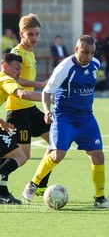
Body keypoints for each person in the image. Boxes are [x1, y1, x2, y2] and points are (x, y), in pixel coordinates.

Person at [22, 35, 109, 209]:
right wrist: (46, 111)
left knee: (97, 154)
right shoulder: (65, 67)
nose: (88, 56)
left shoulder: (95, 64)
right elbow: (46, 92)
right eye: (85, 52)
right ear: (76, 50)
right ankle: (33, 183)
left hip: (86, 118)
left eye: (91, 52)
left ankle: (100, 199)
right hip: (65, 117)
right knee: (57, 155)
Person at [3, 13, 51, 201]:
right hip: (17, 111)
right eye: (30, 34)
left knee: (57, 141)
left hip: (30, 108)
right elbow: (14, 79)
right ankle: (2, 186)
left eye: (37, 34)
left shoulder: (30, 52)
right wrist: (40, 85)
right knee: (21, 157)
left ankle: (38, 185)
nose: (34, 38)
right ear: (21, 34)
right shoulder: (17, 52)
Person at [0, 53, 43, 204]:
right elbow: (22, 93)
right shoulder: (6, 79)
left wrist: (3, 123)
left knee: (6, 158)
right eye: (17, 68)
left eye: (21, 69)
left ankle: (2, 193)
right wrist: (48, 97)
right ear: (5, 66)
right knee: (20, 157)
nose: (19, 72)